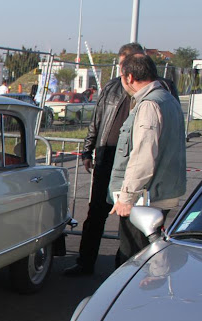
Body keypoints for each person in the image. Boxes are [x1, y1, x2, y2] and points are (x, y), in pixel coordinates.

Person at [63, 43, 178, 276]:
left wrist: (128, 193)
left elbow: (145, 150)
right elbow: (97, 120)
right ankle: (87, 263)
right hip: (109, 160)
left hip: (137, 170)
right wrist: (88, 150)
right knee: (97, 214)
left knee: (132, 229)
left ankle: (125, 274)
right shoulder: (113, 88)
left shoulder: (157, 96)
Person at [108, 53, 186, 266]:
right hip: (159, 192)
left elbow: (143, 155)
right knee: (144, 255)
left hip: (145, 198)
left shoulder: (149, 105)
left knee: (133, 257)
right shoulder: (167, 99)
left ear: (129, 77)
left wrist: (127, 197)